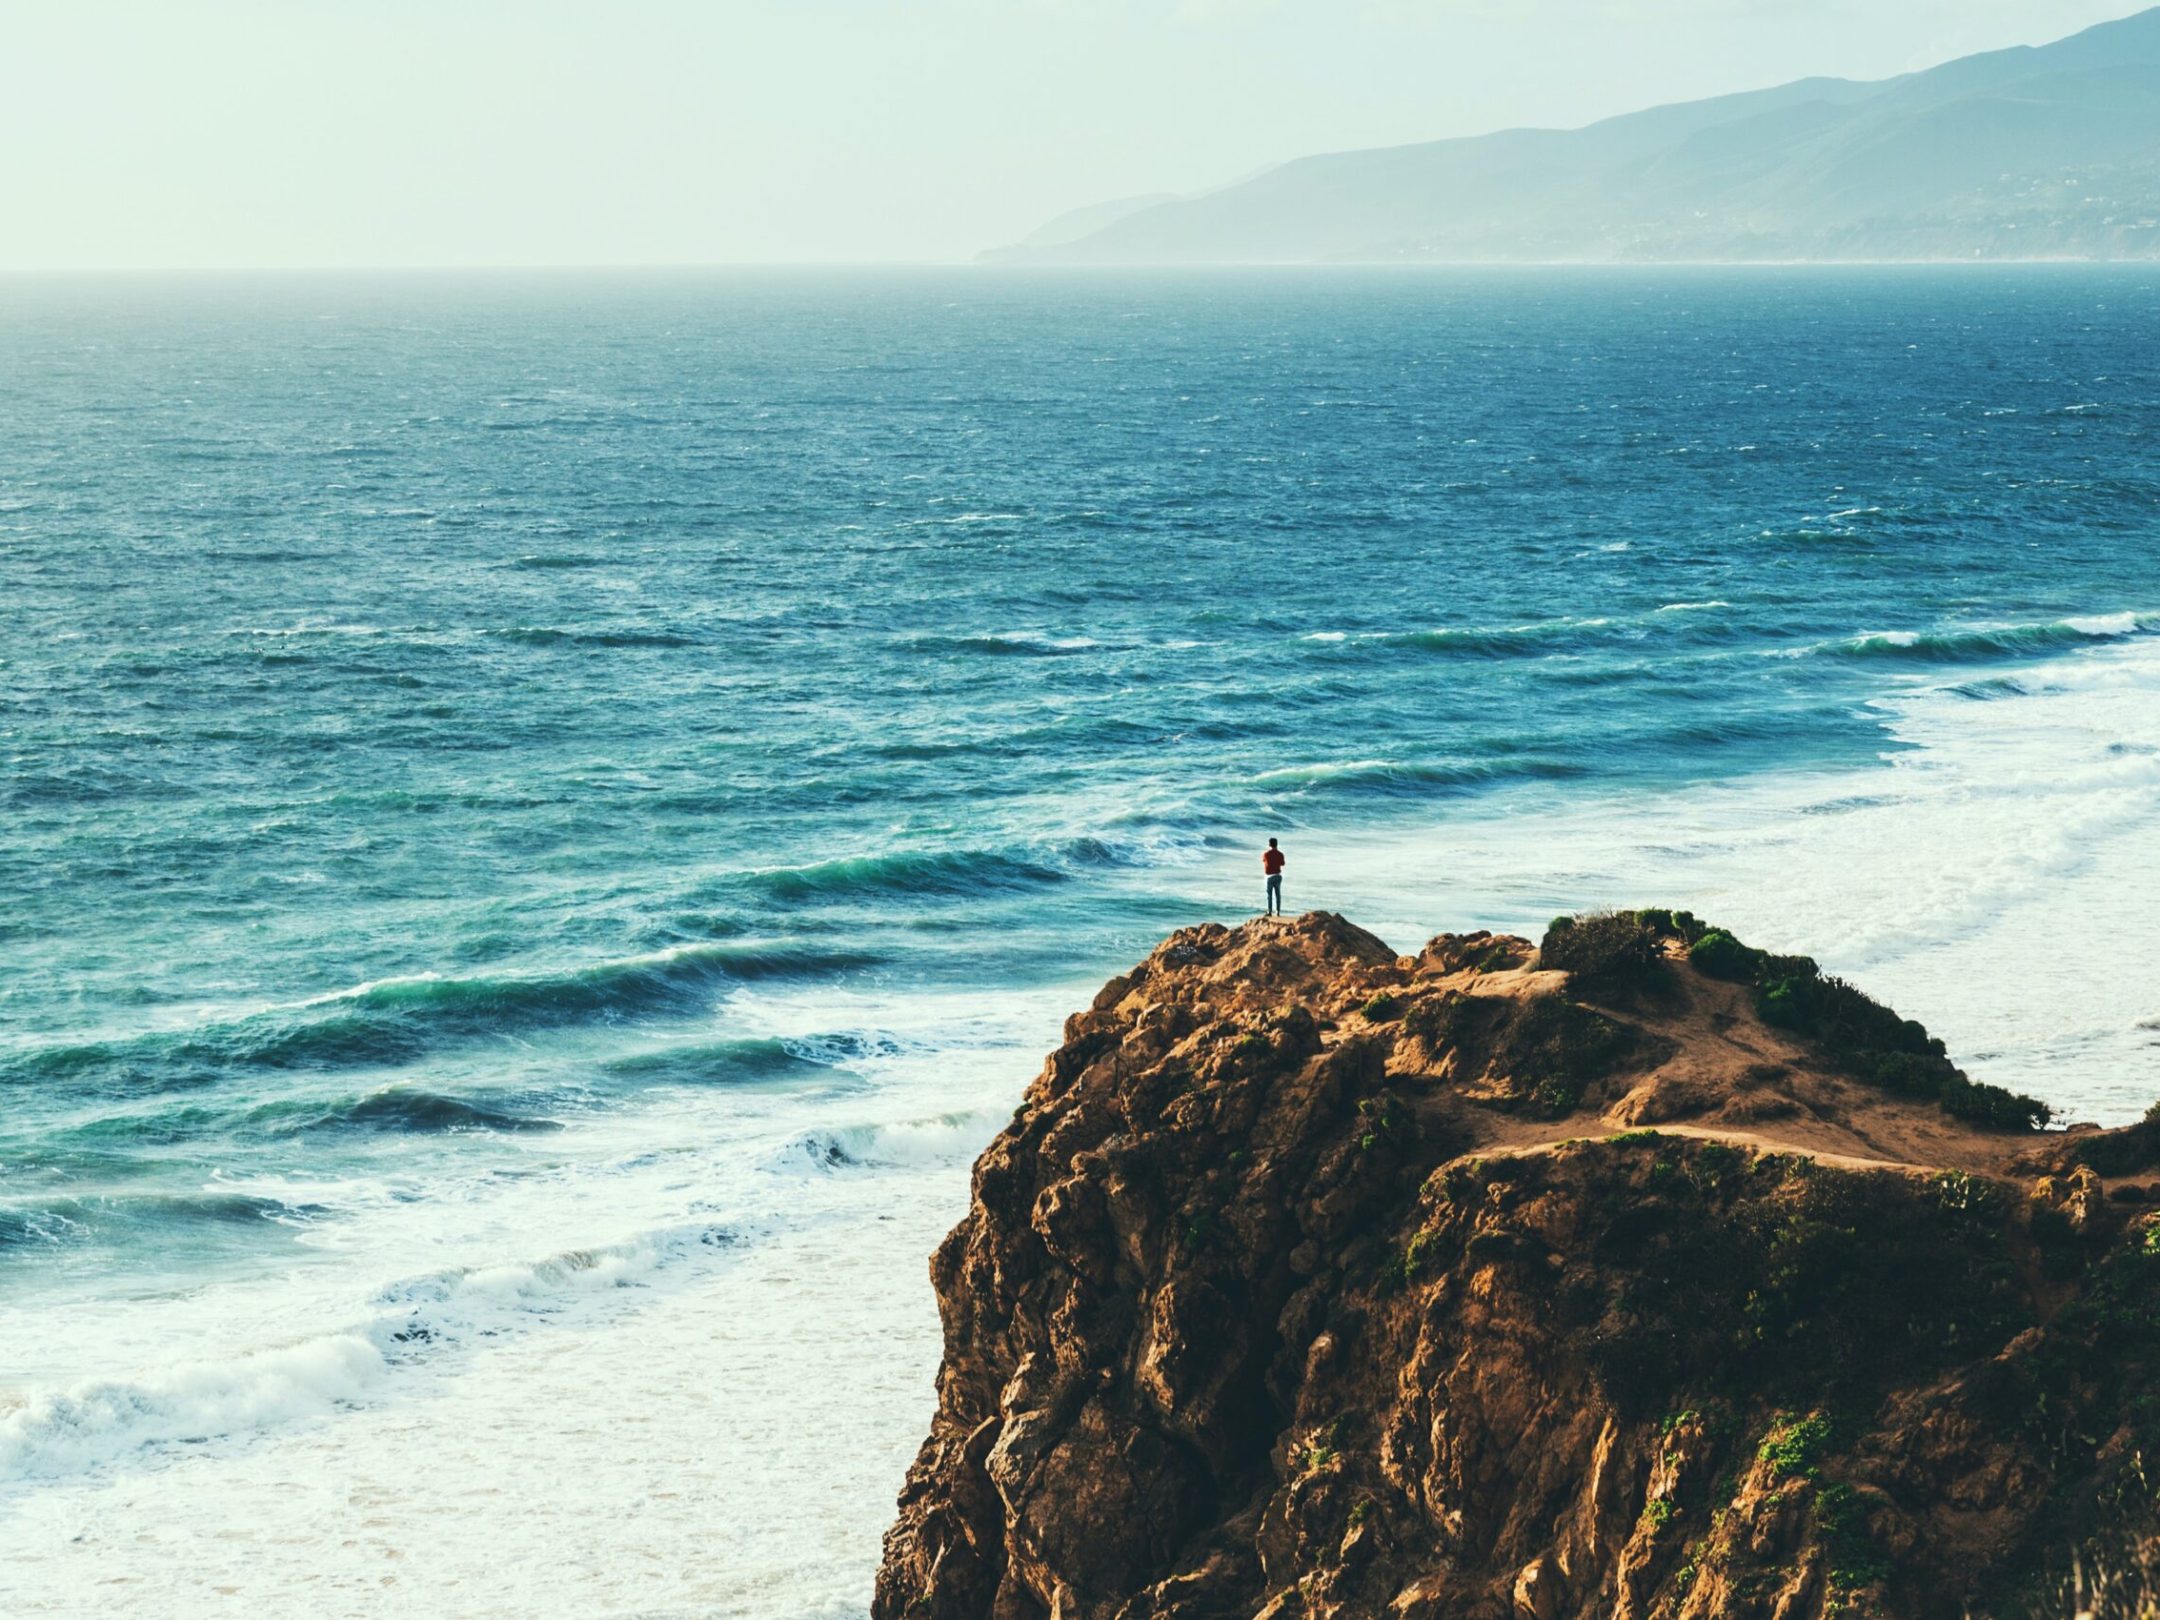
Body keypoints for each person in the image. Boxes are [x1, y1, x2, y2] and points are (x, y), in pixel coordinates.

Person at [1262, 838, 1285, 916]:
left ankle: (1270, 911)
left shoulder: (1266, 854)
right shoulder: (1280, 854)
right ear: (1276, 844)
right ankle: (1278, 911)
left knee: (1269, 895)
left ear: (1269, 844)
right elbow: (1282, 863)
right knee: (1278, 894)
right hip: (1278, 875)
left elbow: (1264, 861)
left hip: (1269, 876)